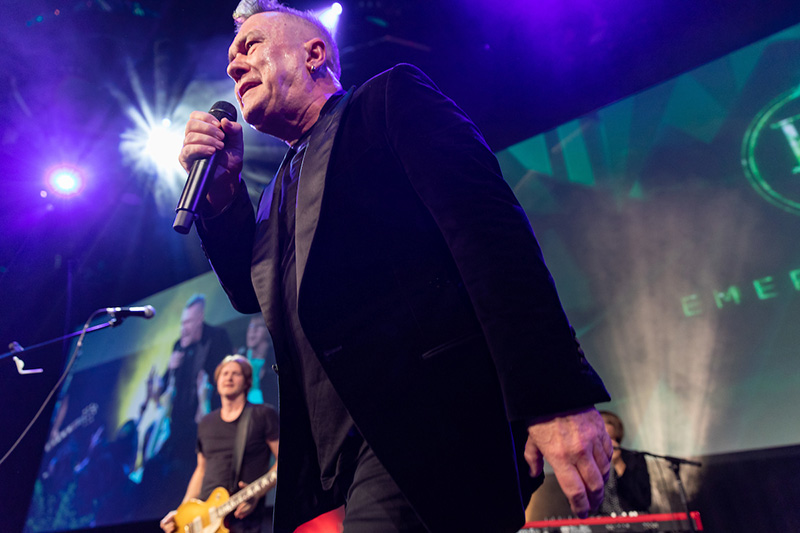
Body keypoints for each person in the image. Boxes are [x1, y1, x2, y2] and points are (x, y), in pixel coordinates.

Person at [179, 1, 612, 531]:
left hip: (430, 425)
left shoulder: (387, 101)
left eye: (251, 45)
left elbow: (492, 236)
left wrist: (555, 395)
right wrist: (222, 196)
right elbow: (252, 294)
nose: (233, 64)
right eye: (231, 56)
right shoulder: (273, 191)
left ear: (314, 54)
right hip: (338, 459)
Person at [160, 355, 280, 533]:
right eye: (224, 373)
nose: (229, 378)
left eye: (235, 373)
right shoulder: (206, 423)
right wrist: (181, 512)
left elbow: (283, 461)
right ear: (216, 382)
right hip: (204, 518)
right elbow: (201, 470)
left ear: (247, 381)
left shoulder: (263, 414)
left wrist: (258, 493)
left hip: (242, 519)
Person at [598, 411, 652, 514]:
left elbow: (643, 501)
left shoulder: (635, 459)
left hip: (633, 519)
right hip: (601, 520)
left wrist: (618, 463)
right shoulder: (588, 462)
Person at [237, 315, 278, 406]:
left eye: (259, 326)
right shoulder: (239, 360)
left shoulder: (275, 358)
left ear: (268, 331)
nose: (253, 330)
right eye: (251, 326)